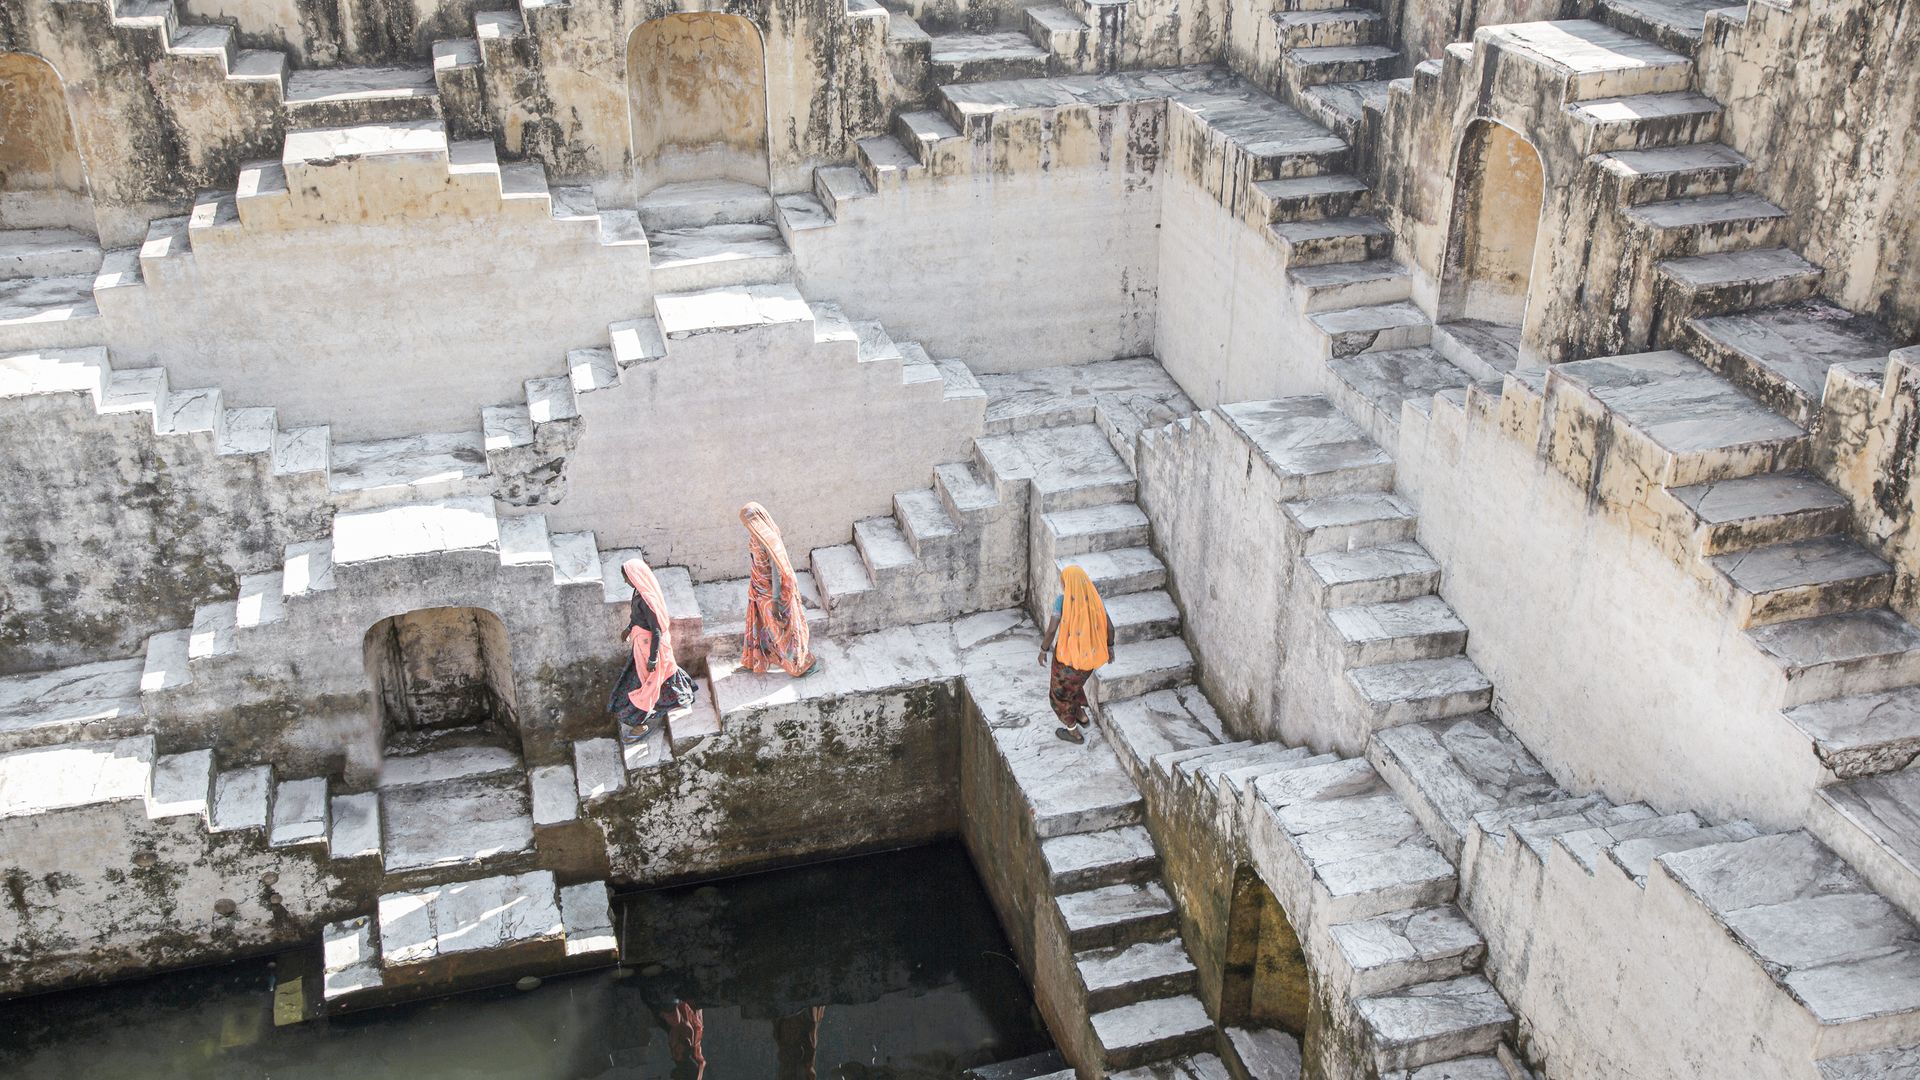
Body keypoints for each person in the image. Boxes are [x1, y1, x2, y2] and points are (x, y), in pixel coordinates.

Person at [609, 557, 697, 747]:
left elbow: (656, 630)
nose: (625, 581)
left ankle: (639, 723)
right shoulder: (638, 593)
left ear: (635, 577)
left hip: (651, 648)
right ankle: (679, 696)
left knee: (648, 683)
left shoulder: (647, 601)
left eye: (627, 578)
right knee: (660, 676)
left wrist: (652, 658)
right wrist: (629, 628)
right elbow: (637, 617)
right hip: (642, 645)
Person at [739, 502, 821, 677]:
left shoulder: (768, 539)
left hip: (770, 594)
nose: (746, 526)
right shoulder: (755, 535)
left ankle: (799, 663)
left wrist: (776, 600)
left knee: (780, 631)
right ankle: (756, 659)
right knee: (759, 625)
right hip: (757, 589)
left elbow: (776, 573)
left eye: (747, 522)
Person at [1038, 564, 1114, 744]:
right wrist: (1110, 648)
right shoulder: (1096, 600)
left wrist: (1043, 649)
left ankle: (1073, 732)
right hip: (1088, 662)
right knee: (1075, 686)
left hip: (1066, 662)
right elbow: (1110, 627)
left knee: (1059, 696)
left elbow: (1051, 631)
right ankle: (1082, 716)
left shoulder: (1062, 602)